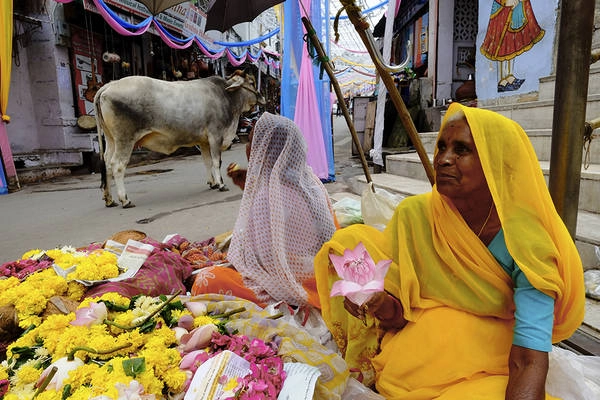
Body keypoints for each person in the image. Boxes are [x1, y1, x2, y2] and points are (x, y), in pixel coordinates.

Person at [314, 102, 585, 399]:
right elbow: (398, 318)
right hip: (414, 359)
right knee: (347, 242)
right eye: (442, 147)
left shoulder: (527, 241)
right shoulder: (417, 216)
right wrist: (378, 301)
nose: (443, 159)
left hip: (488, 362)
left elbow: (528, 358)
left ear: (494, 163)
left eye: (461, 150)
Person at [191, 112, 338, 308]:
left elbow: (260, 261)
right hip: (320, 275)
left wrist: (232, 263)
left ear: (266, 149)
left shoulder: (267, 196)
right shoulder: (311, 184)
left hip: (293, 283)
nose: (247, 148)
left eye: (252, 141)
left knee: (206, 279)